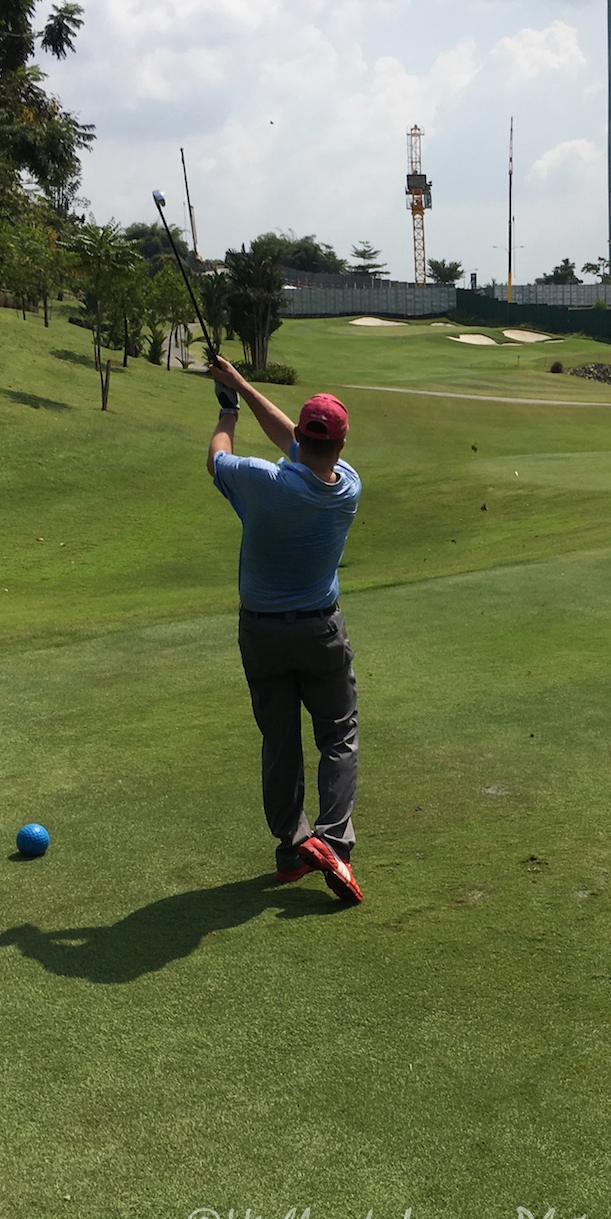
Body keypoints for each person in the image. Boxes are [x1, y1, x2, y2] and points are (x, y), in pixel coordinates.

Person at [205, 357, 364, 905]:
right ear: (341, 445)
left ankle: (294, 848)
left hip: (262, 633)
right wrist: (242, 384)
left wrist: (229, 410)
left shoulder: (261, 481)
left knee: (279, 739)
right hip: (321, 631)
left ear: (301, 435)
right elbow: (295, 442)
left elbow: (217, 458)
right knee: (338, 735)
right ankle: (334, 844)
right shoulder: (347, 488)